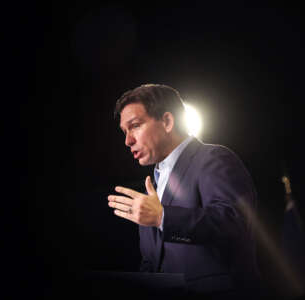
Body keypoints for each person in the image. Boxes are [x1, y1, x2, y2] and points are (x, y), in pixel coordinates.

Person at [108, 84, 262, 298]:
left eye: (135, 126)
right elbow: (152, 264)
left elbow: (234, 222)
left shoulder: (213, 158)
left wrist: (162, 217)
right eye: (124, 132)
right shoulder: (150, 189)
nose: (128, 141)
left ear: (167, 122)